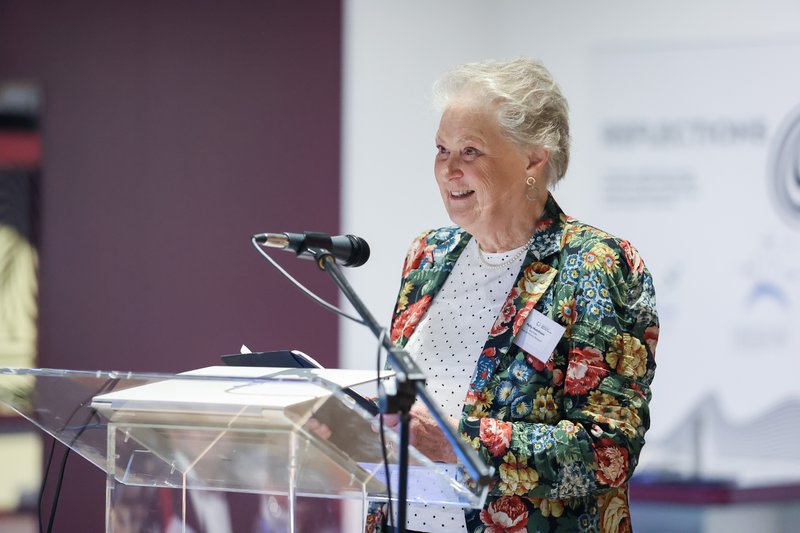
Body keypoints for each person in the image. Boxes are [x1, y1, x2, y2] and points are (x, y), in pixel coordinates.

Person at [366, 58, 659, 533]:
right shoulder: (427, 256)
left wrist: (458, 444)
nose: (449, 170)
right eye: (441, 149)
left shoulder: (595, 263)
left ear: (533, 160)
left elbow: (608, 452)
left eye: (470, 151)